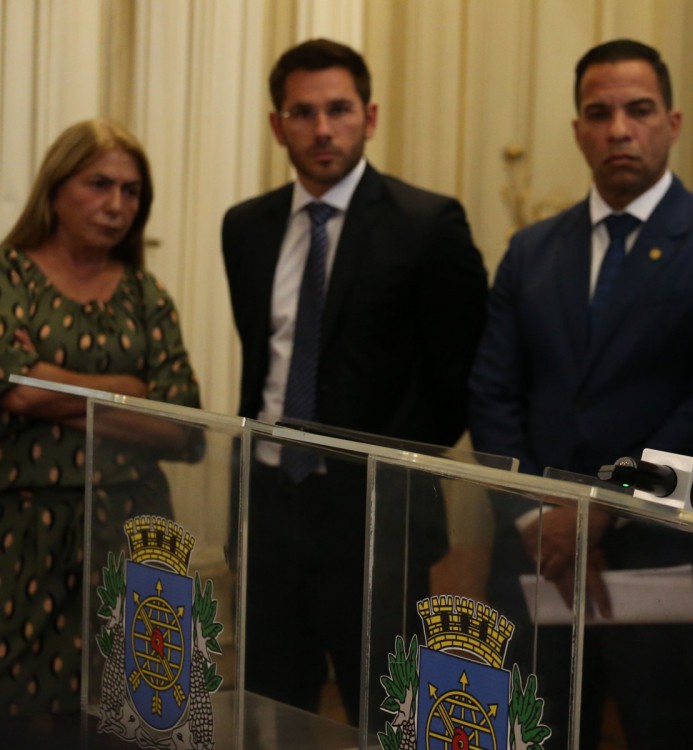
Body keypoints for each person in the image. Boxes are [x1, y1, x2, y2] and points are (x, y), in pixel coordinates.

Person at [469, 39, 693, 749]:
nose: (620, 128)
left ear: (673, 123)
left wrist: (601, 509)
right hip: (537, 559)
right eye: (600, 112)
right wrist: (536, 517)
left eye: (639, 110)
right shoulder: (531, 250)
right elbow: (492, 393)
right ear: (578, 131)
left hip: (660, 556)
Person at [222, 38, 487, 722]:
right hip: (271, 507)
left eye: (338, 109)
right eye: (302, 113)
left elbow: (460, 379)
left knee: (387, 711)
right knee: (269, 705)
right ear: (278, 124)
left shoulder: (428, 225)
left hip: (379, 518)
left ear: (369, 117)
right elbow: (265, 366)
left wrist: (392, 475)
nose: (321, 129)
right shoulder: (246, 228)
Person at [0, 119, 201, 717]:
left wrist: (50, 388)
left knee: (140, 713)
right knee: (23, 712)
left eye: (131, 191)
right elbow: (15, 392)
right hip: (24, 531)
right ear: (56, 189)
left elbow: (183, 425)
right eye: (99, 184)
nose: (116, 205)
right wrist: (128, 391)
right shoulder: (10, 277)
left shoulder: (146, 294)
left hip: (136, 531)